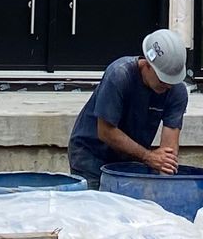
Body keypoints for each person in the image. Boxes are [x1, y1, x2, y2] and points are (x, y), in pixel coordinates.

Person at [67, 28, 189, 187]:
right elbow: (105, 131)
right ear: (147, 64)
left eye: (171, 81)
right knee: (96, 207)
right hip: (91, 153)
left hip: (130, 157)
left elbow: (168, 151)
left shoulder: (176, 91)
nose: (167, 85)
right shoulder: (119, 75)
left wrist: (164, 185)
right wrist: (148, 157)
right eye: (162, 79)